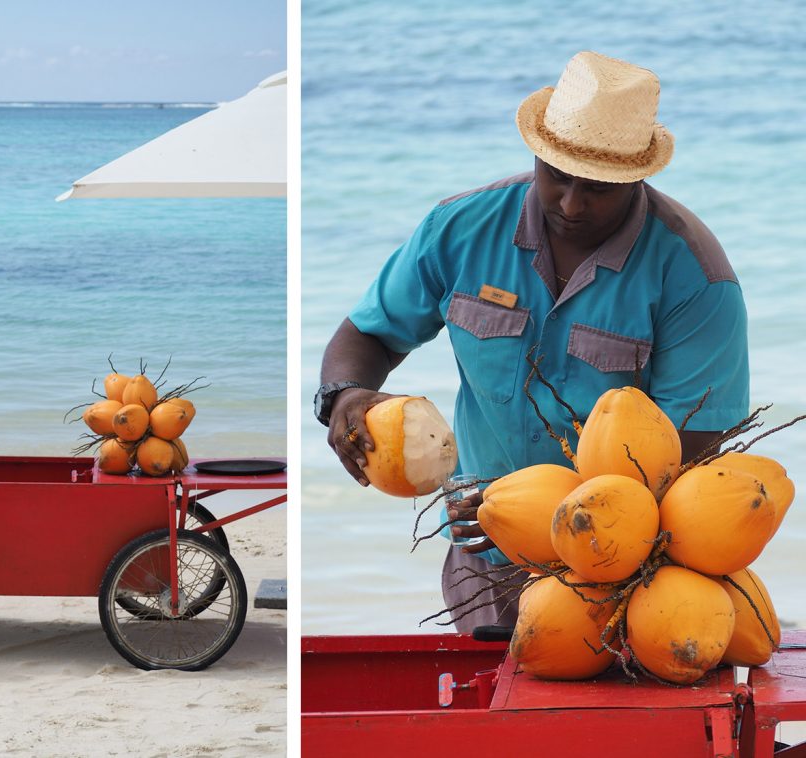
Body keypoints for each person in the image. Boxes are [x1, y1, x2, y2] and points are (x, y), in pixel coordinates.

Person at [313, 51, 750, 634]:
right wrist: (345, 395)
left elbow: (696, 447)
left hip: (625, 573)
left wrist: (549, 517)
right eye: (557, 175)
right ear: (536, 154)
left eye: (597, 188)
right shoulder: (460, 229)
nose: (571, 204)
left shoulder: (695, 276)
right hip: (483, 557)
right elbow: (369, 333)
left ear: (637, 177)